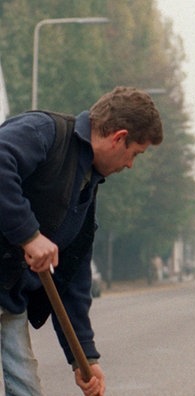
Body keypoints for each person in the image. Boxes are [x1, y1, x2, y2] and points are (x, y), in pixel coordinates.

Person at [0, 86, 163, 395]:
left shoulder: (85, 189)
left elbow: (72, 281)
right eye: (135, 153)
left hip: (9, 299)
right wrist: (29, 235)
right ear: (118, 137)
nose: (131, 165)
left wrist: (84, 357)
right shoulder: (44, 131)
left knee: (26, 390)